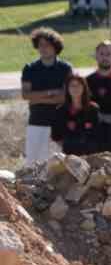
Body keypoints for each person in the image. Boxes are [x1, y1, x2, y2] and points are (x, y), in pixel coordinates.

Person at [20, 28, 70, 165]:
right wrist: (50, 93)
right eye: (40, 45)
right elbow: (25, 95)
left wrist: (37, 98)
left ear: (55, 47)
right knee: (32, 163)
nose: (43, 48)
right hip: (36, 121)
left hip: (60, 122)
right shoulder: (30, 68)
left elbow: (64, 97)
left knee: (58, 164)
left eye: (47, 45)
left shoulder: (65, 68)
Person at [85, 40, 111, 153]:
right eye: (101, 54)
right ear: (96, 56)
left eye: (108, 54)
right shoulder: (88, 81)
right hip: (96, 133)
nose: (105, 57)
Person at [51, 74, 101, 157]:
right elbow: (56, 136)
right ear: (67, 89)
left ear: (84, 88)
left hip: (90, 156)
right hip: (69, 157)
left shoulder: (93, 109)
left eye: (78, 85)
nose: (75, 88)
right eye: (72, 86)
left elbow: (98, 134)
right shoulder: (60, 110)